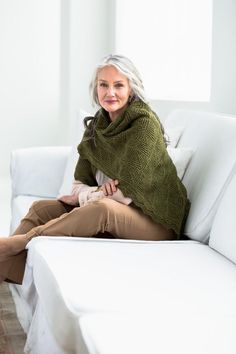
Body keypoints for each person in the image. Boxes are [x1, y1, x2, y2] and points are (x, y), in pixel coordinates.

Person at [0, 54, 190, 284]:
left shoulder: (144, 125)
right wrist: (96, 192)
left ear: (131, 89)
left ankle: (22, 241)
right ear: (96, 88)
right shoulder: (96, 127)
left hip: (156, 221)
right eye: (104, 85)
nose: (110, 92)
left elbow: (124, 195)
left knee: (103, 209)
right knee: (41, 208)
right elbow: (78, 185)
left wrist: (93, 195)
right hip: (116, 211)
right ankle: (8, 270)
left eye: (118, 85)